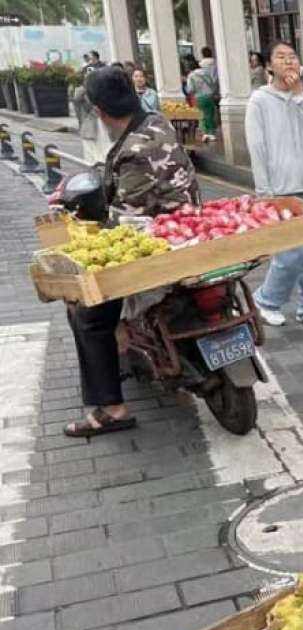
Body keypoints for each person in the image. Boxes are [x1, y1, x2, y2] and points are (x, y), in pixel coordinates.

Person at [63, 67, 200, 438]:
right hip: (193, 228)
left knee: (86, 312)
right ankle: (125, 341)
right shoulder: (156, 122)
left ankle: (111, 407)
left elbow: (126, 225)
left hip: (160, 246)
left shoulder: (133, 151)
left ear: (100, 111)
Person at [246, 40, 303, 327]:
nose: (289, 62)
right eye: (281, 57)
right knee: (290, 253)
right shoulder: (260, 100)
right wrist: (264, 192)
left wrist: (300, 96)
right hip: (281, 188)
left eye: (293, 57)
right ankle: (267, 299)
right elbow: (257, 147)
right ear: (269, 66)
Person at [186, 46, 220, 142]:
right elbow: (212, 82)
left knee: (202, 115)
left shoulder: (191, 75)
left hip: (199, 97)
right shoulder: (205, 72)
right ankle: (212, 133)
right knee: (210, 114)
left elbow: (190, 89)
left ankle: (205, 133)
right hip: (209, 96)